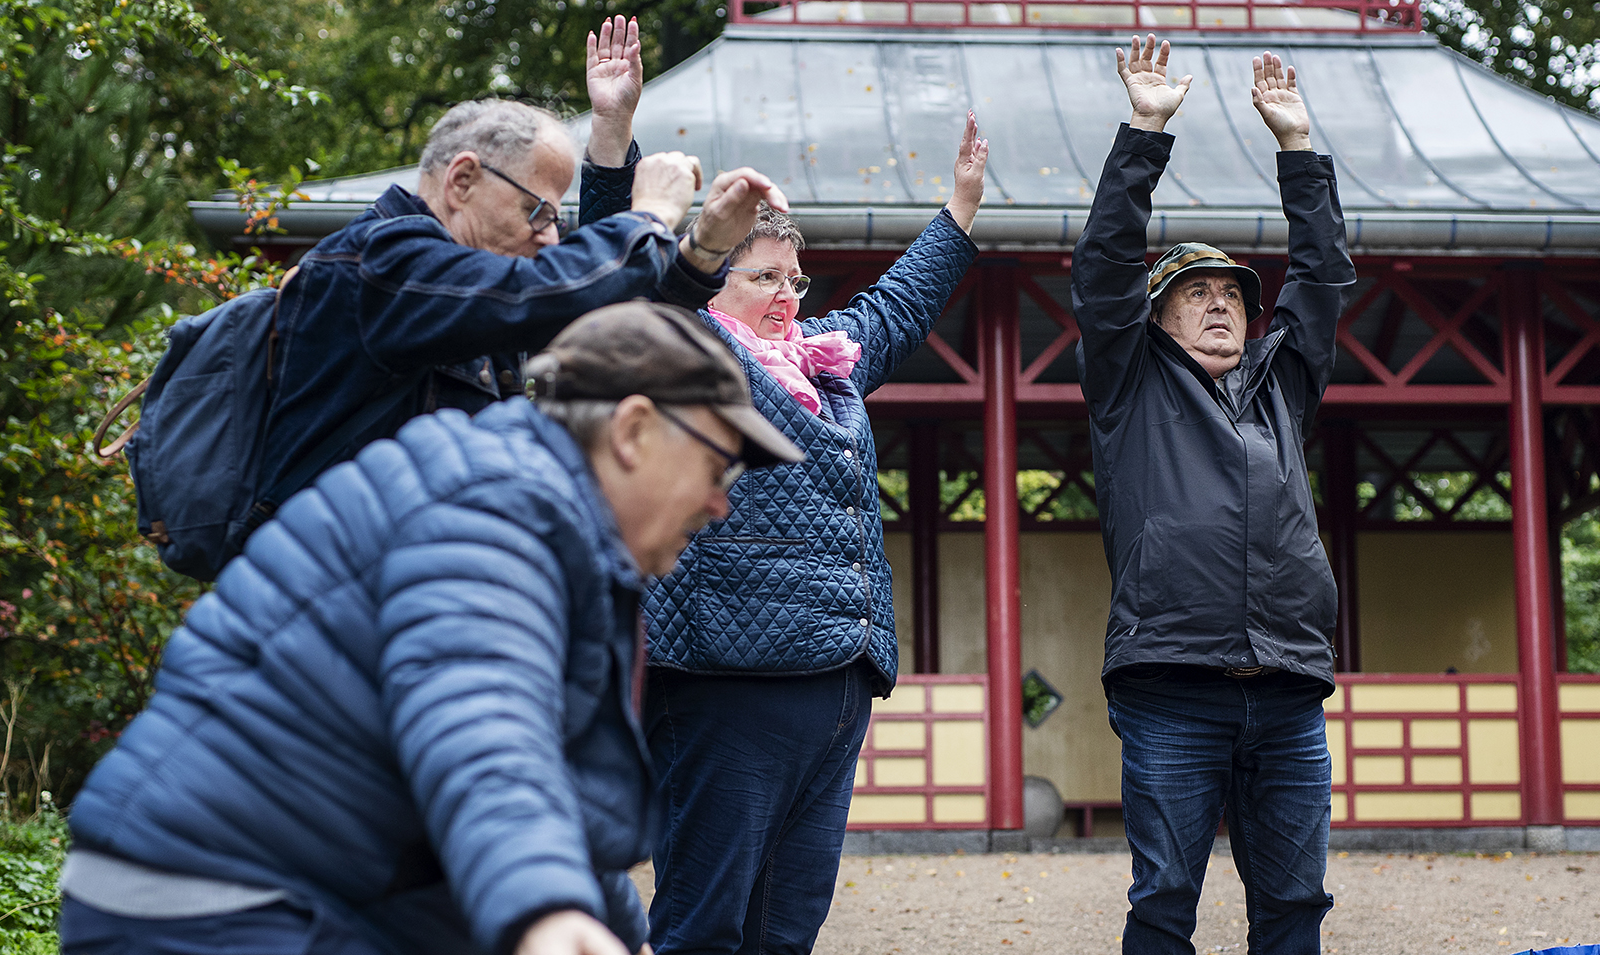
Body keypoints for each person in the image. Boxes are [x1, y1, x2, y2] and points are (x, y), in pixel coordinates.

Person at [61, 301, 805, 955]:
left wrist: (617, 926)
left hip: (305, 891)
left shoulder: (546, 512)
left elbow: (550, 776)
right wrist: (542, 908)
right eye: (718, 468)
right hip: (215, 899)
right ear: (634, 429)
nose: (720, 505)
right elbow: (480, 714)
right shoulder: (497, 508)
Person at [636, 113, 989, 955]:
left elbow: (897, 306)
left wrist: (960, 207)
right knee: (703, 923)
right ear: (711, 285)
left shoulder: (827, 360)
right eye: (764, 278)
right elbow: (636, 300)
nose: (789, 296)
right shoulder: (685, 353)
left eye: (795, 278)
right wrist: (619, 143)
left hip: (837, 678)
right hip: (728, 680)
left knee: (788, 925)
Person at [252, 16, 787, 527]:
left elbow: (607, 330)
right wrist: (649, 217)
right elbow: (548, 290)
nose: (552, 237)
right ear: (462, 181)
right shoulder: (381, 260)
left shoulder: (467, 293)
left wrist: (706, 245)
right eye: (540, 213)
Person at [1071, 37, 1356, 955]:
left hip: (1286, 688)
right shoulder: (1128, 384)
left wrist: (1299, 147)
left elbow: (1321, 279)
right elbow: (1105, 268)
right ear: (1155, 317)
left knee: (1295, 901)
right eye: (1194, 292)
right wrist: (1144, 130)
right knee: (1163, 900)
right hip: (1170, 688)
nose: (1221, 303)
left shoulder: (1282, 387)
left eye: (1232, 291)